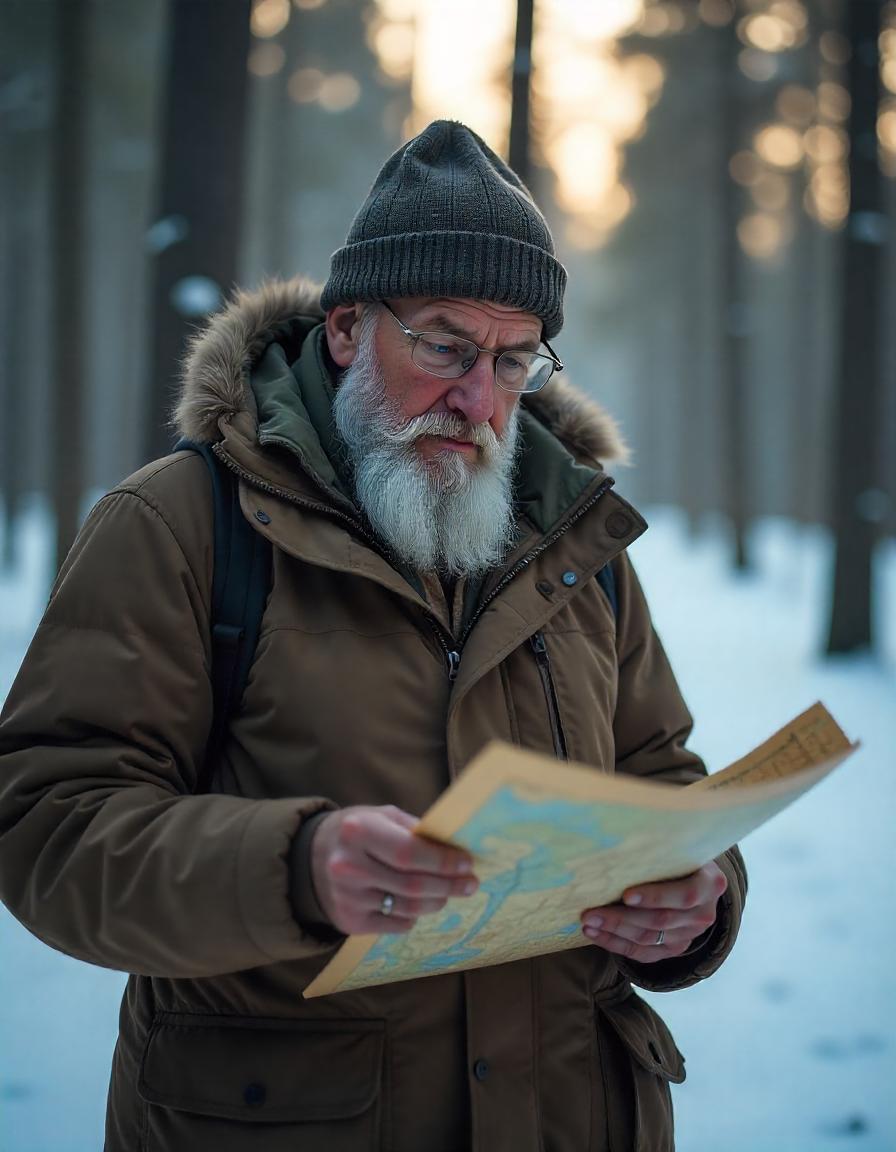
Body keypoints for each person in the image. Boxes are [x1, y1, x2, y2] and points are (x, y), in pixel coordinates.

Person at [0, 120, 746, 1151]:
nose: (477, 400)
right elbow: (49, 828)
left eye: (513, 359)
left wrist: (699, 900)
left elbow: (661, 774)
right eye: (443, 344)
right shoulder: (179, 525)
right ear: (348, 327)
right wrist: (295, 867)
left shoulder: (579, 541)